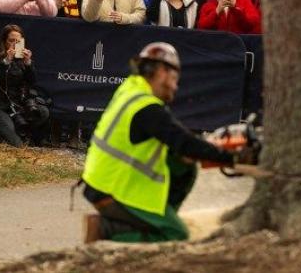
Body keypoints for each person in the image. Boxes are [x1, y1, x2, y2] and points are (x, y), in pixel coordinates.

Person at [81, 43, 247, 243]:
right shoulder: (146, 108)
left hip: (103, 179)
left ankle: (159, 217)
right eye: (175, 79)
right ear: (161, 72)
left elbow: (181, 143)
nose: (176, 87)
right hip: (111, 188)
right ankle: (105, 229)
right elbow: (184, 142)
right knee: (176, 234)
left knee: (183, 164)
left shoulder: (130, 90)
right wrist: (235, 158)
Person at [0, 25, 49, 147]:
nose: (14, 44)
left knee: (43, 112)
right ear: (4, 42)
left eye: (18, 41)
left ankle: (21, 135)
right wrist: (6, 61)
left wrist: (28, 64)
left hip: (16, 105)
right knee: (16, 145)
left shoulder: (22, 60)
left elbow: (32, 81)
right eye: (11, 41)